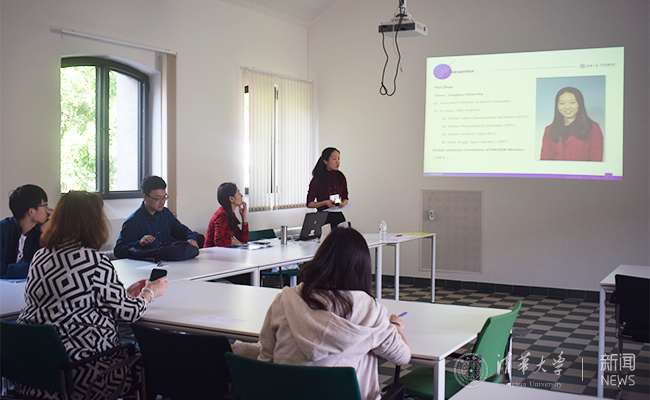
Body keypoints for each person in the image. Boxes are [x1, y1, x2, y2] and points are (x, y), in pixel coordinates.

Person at [16, 191, 168, 400]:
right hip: (84, 373)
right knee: (150, 363)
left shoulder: (40, 257)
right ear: (93, 223)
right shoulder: (94, 261)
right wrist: (150, 292)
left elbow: (71, 301)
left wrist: (123, 294)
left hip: (33, 373)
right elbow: (130, 313)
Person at [257, 227, 411, 400]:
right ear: (361, 268)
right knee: (366, 351)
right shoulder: (369, 311)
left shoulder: (285, 299)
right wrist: (395, 327)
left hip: (286, 395)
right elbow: (403, 356)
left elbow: (265, 359)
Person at [114, 175, 198, 259]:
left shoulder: (166, 214)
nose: (162, 202)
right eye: (158, 198)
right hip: (144, 265)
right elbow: (118, 251)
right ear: (145, 197)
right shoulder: (133, 221)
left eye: (164, 197)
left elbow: (183, 231)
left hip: (168, 261)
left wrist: (191, 238)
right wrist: (139, 243)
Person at [0, 184, 51, 279]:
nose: (48, 210)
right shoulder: (3, 230)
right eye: (45, 205)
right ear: (31, 211)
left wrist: (46, 232)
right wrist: (34, 268)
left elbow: (48, 262)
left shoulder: (38, 231)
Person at [540, 87, 603, 161]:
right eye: (562, 103)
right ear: (557, 105)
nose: (567, 107)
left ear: (579, 104)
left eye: (572, 102)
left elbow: (596, 160)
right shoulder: (549, 130)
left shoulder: (592, 128)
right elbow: (545, 160)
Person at [306, 147, 349, 229]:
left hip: (338, 216)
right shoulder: (317, 179)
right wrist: (325, 203)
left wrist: (343, 203)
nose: (337, 162)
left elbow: (345, 198)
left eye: (339, 159)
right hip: (323, 217)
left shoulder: (340, 177)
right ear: (325, 161)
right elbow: (309, 203)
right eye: (334, 159)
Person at [204, 182, 249, 248]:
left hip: (223, 253)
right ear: (231, 199)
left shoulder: (229, 214)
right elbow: (219, 242)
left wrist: (244, 217)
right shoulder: (221, 215)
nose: (241, 195)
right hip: (212, 255)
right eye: (238, 193)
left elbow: (244, 239)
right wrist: (232, 241)